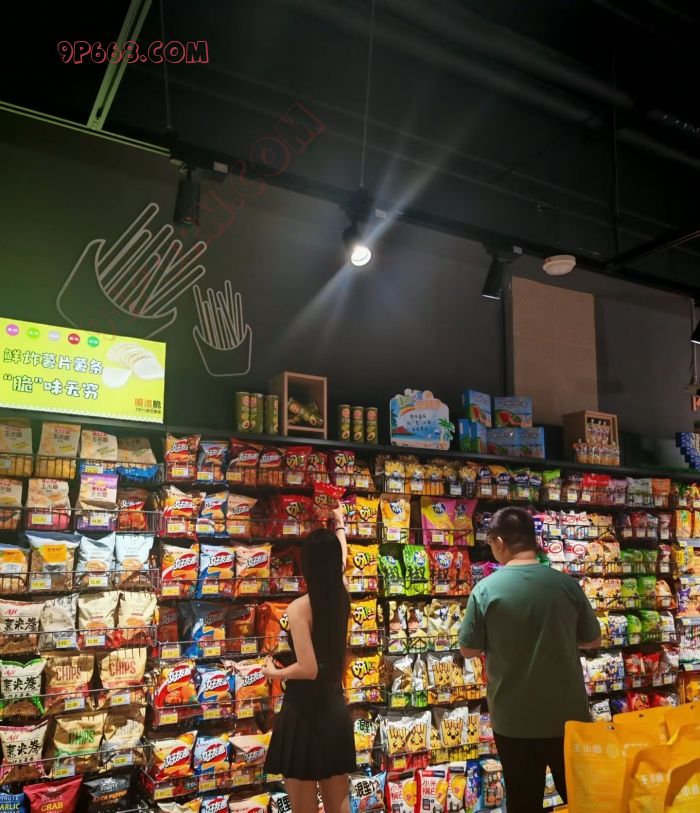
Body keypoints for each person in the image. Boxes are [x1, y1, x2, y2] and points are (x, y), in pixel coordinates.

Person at [458, 506, 601, 812]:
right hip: (568, 717)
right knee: (584, 799)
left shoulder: (485, 590)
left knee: (523, 802)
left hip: (513, 720)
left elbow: (468, 650)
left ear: (499, 542)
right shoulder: (566, 585)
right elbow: (593, 640)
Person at [263, 507, 355, 813]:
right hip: (334, 707)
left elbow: (308, 668)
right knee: (338, 804)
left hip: (304, 713)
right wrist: (340, 524)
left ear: (306, 564)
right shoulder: (342, 595)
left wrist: (275, 673)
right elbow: (340, 559)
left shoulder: (299, 608)